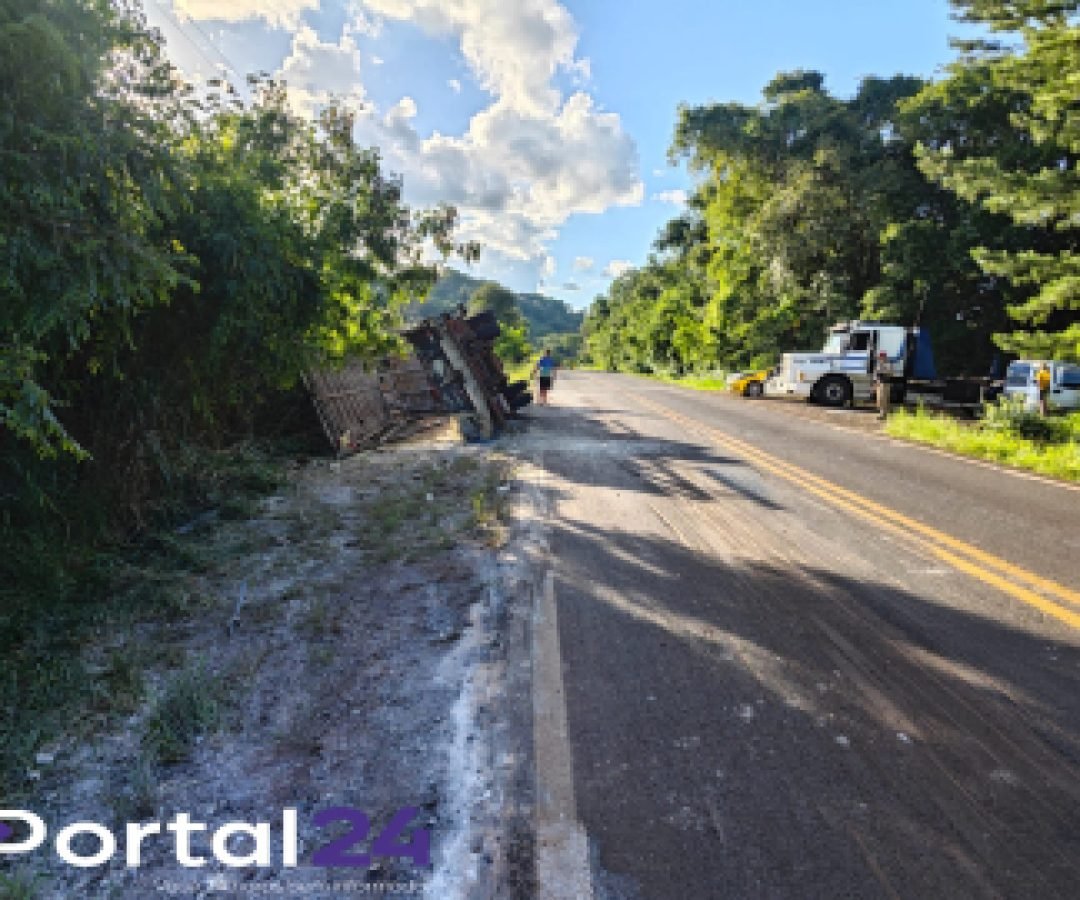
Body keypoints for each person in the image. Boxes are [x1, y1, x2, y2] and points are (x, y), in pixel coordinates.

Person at [874, 350, 893, 420]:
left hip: (885, 384)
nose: (880, 358)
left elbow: (890, 373)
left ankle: (884, 415)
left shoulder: (888, 364)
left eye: (881, 357)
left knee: (884, 399)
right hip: (880, 383)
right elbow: (876, 374)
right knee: (879, 400)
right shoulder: (879, 364)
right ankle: (881, 413)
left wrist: (882, 371)